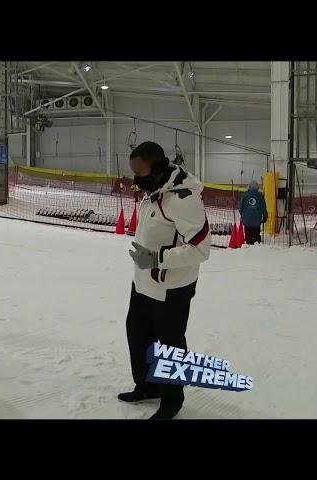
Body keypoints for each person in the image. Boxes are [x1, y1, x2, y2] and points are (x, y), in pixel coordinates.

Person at [119, 141, 211, 420]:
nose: (136, 179)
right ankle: (148, 385)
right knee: (137, 332)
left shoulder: (184, 199)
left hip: (171, 288)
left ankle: (172, 400)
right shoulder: (155, 189)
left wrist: (157, 259)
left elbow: (200, 249)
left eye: (141, 173)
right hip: (143, 281)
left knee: (170, 344)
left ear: (158, 169)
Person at [239, 179, 267, 245]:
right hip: (256, 221)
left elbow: (240, 208)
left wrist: (243, 216)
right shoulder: (260, 196)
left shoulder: (244, 195)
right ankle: (256, 248)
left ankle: (248, 248)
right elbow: (263, 208)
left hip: (247, 221)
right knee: (256, 237)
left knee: (248, 237)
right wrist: (265, 216)